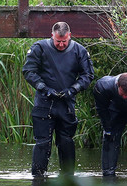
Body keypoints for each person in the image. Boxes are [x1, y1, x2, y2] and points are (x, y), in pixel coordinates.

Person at [23, 22, 94, 176]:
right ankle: (38, 177)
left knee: (66, 141)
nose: (61, 45)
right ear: (52, 35)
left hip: (66, 103)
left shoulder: (79, 50)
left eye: (64, 41)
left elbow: (87, 75)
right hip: (44, 102)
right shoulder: (39, 48)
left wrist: (74, 89)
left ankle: (68, 177)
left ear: (69, 36)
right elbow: (29, 71)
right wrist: (43, 88)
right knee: (43, 142)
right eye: (58, 41)